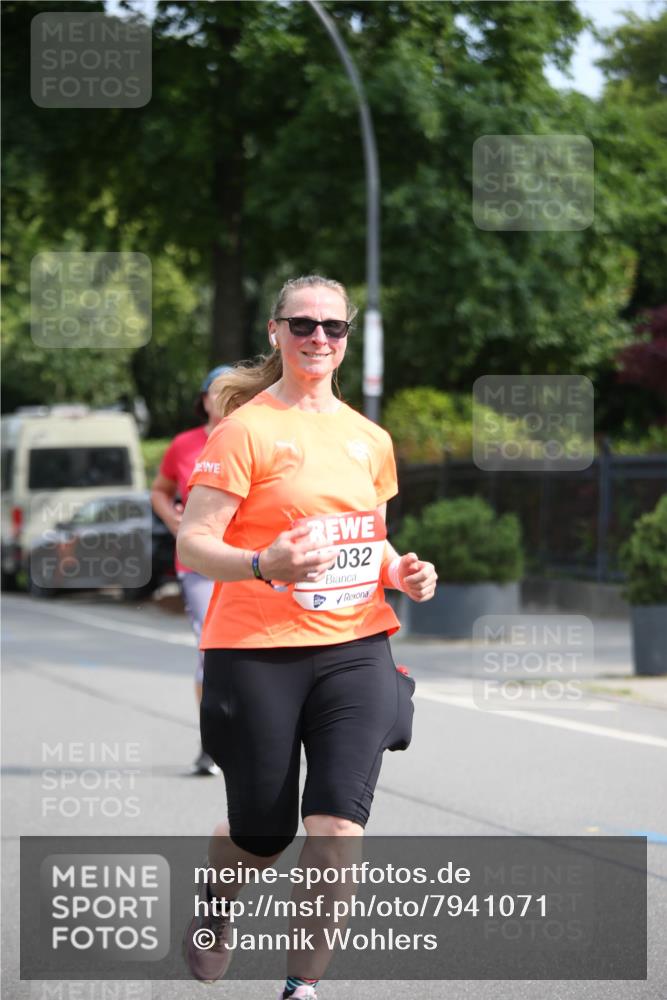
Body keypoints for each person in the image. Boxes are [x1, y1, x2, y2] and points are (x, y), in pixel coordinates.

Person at [178, 275, 437, 1000]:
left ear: (347, 338)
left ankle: (301, 987)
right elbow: (196, 544)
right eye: (303, 325)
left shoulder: (368, 438)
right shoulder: (245, 430)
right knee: (262, 834)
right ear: (275, 331)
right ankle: (217, 897)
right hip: (255, 652)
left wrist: (403, 571)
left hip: (356, 647)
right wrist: (264, 563)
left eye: (332, 327)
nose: (318, 338)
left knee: (334, 831)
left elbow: (371, 541)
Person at [150, 364, 231, 775]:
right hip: (198, 563)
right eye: (216, 391)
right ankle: (211, 742)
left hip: (249, 562)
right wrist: (173, 521)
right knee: (210, 651)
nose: (223, 397)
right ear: (203, 400)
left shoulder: (260, 436)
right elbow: (160, 491)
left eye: (233, 390)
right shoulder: (183, 445)